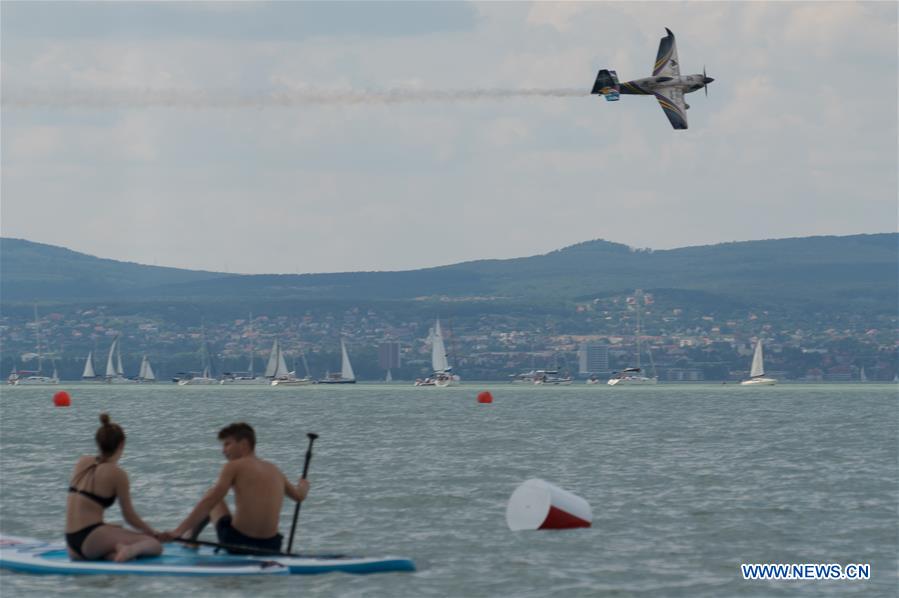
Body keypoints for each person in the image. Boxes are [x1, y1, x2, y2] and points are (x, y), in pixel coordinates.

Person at [161, 422, 310, 555]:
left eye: (227, 444)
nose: (223, 451)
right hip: (272, 546)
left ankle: (189, 541)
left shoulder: (233, 466)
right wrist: (304, 485)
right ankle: (189, 539)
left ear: (244, 444)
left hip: (238, 543)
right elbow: (299, 496)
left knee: (212, 496)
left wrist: (177, 531)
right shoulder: (275, 470)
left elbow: (210, 501)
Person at [65, 413, 162, 562]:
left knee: (116, 529)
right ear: (122, 444)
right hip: (90, 540)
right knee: (154, 545)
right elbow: (129, 516)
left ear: (98, 443)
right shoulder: (117, 474)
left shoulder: (82, 461)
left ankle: (115, 552)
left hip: (71, 544)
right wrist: (152, 532)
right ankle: (129, 550)